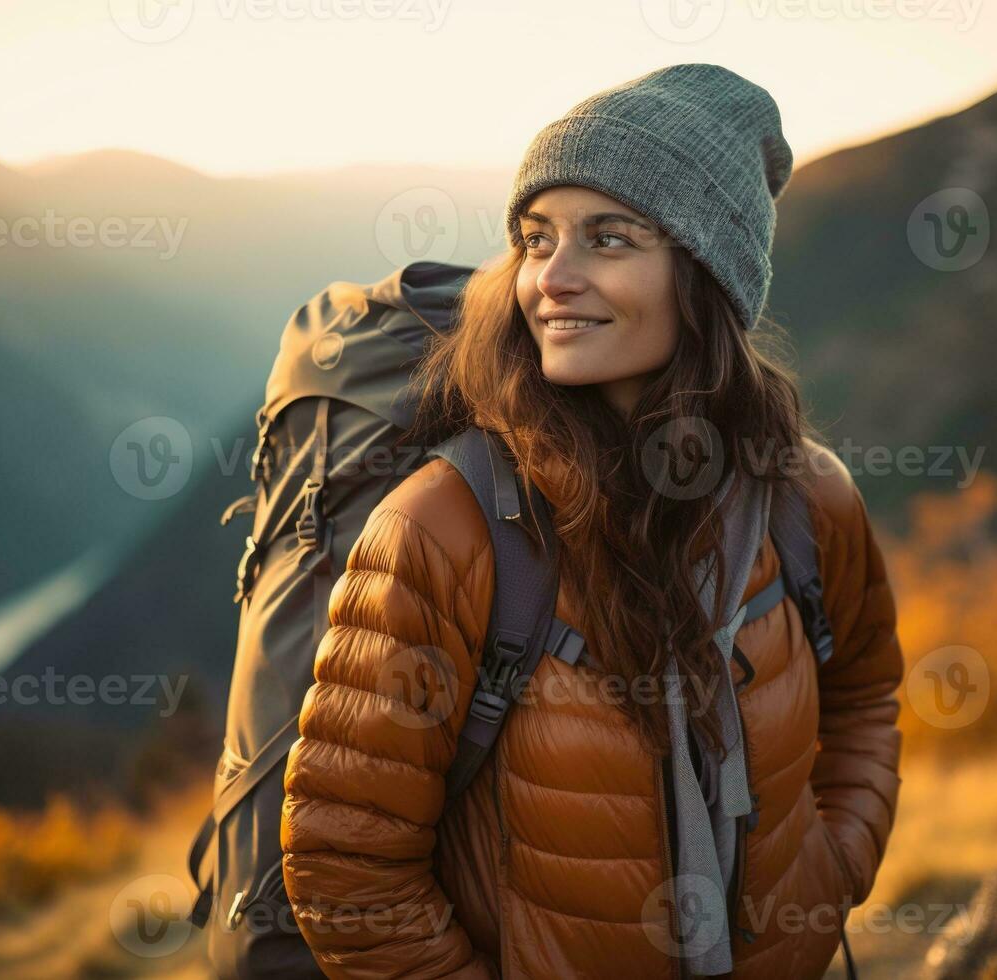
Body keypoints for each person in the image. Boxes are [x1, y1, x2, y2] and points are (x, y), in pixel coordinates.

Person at [279, 63, 903, 979]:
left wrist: (833, 866)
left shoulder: (806, 498)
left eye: (609, 239)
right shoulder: (443, 532)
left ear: (708, 278)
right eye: (536, 240)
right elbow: (346, 863)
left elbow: (865, 698)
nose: (552, 279)